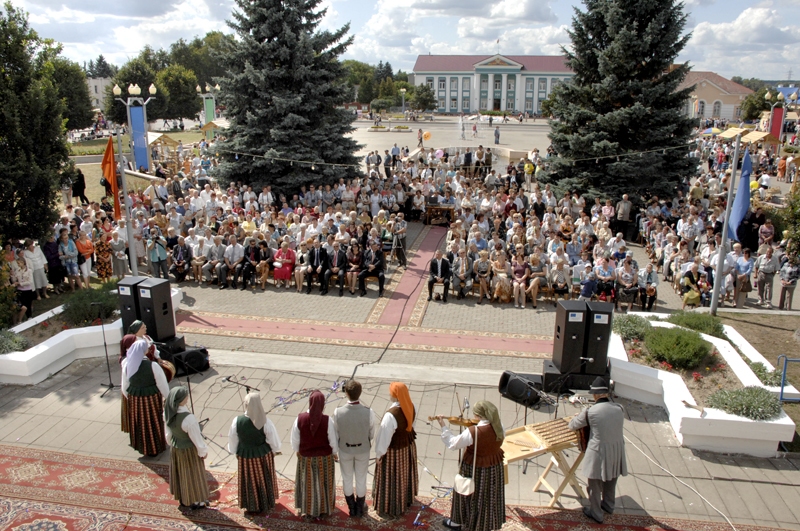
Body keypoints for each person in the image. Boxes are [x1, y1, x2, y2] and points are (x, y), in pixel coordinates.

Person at [437, 401, 505, 531]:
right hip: (493, 466)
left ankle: (457, 522)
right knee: (488, 496)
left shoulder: (473, 431)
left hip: (474, 468)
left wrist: (443, 426)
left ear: (479, 416)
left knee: (465, 492)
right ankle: (485, 524)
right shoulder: (499, 426)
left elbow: (453, 444)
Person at [568, 377, 627, 524]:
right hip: (617, 449)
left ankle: (596, 513)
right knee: (611, 480)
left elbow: (573, 425)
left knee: (594, 484)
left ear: (594, 395)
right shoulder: (620, 408)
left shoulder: (590, 411)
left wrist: (580, 414)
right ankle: (608, 505)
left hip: (598, 451)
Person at [228, 392, 282, 514]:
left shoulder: (237, 421)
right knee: (264, 477)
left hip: (245, 455)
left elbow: (233, 438)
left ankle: (252, 504)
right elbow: (273, 440)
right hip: (262, 455)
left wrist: (235, 451)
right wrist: (274, 451)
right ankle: (265, 502)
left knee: (249, 480)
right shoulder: (265, 422)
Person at [373, 382, 419, 518]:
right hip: (407, 448)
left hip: (394, 452)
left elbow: (384, 438)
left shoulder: (390, 415)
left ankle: (391, 505)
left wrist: (379, 454)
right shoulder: (412, 406)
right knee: (404, 475)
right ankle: (405, 499)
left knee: (392, 478)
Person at [290, 390, 339, 518]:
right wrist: (334, 453)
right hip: (324, 459)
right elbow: (333, 440)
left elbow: (295, 440)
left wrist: (298, 451)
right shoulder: (327, 421)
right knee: (324, 483)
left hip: (306, 459)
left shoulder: (299, 419)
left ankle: (309, 509)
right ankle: (324, 509)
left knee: (308, 484)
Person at [333, 380, 376, 517]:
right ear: (360, 393)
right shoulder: (369, 412)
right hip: (362, 449)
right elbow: (371, 432)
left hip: (345, 449)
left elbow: (336, 432)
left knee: (347, 478)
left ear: (346, 393)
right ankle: (360, 506)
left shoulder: (338, 412)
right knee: (361, 478)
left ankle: (351, 507)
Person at [165, 386, 211, 510]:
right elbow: (196, 438)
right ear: (181, 400)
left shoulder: (168, 412)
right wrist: (202, 452)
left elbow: (168, 435)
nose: (187, 397)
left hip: (176, 448)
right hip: (189, 450)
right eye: (186, 396)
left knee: (181, 474)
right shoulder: (188, 418)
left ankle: (183, 498)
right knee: (193, 475)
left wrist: (174, 444)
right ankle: (197, 501)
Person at [121, 338, 169, 456]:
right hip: (151, 398)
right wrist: (167, 397)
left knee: (139, 422)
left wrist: (132, 398)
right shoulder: (152, 365)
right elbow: (162, 384)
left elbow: (124, 386)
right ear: (143, 351)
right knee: (153, 421)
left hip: (135, 398)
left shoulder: (127, 365)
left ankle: (142, 447)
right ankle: (155, 447)